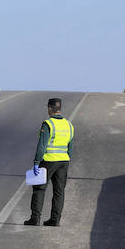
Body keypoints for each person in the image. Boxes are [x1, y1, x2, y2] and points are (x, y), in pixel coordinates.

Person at [25, 97, 74, 227]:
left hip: (49, 160)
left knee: (39, 188)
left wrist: (36, 162)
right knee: (59, 191)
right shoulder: (69, 124)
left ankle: (35, 218)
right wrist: (67, 160)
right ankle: (55, 219)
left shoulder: (48, 124)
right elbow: (70, 146)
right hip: (64, 161)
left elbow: (42, 145)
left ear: (50, 108)